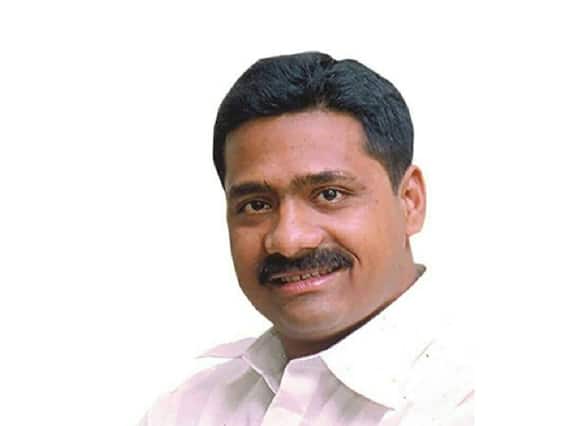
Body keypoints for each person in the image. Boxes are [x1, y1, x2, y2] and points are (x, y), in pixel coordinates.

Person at [139, 51, 474, 425]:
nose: (288, 240)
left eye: (329, 194)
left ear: (410, 201)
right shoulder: (186, 410)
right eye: (256, 205)